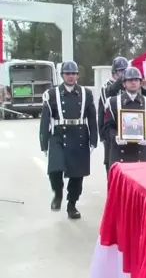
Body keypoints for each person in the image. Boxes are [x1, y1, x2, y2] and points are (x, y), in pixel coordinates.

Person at [39, 60, 97, 219]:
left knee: (77, 175)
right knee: (55, 168)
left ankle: (72, 204)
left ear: (77, 75)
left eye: (73, 73)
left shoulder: (86, 93)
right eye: (67, 73)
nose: (71, 76)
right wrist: (43, 141)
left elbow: (92, 118)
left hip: (79, 134)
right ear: (62, 75)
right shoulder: (52, 94)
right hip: (59, 134)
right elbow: (45, 119)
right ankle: (58, 193)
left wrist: (93, 139)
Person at [103, 67, 146, 166]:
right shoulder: (113, 102)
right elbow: (107, 127)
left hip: (141, 154)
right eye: (130, 80)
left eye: (136, 80)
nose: (133, 83)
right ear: (124, 83)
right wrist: (116, 137)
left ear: (141, 83)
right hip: (120, 154)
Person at [98, 57, 128, 173]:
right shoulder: (107, 87)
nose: (124, 74)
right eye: (121, 71)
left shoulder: (130, 85)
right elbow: (108, 100)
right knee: (111, 163)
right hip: (112, 128)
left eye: (126, 71)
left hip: (130, 127)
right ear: (114, 73)